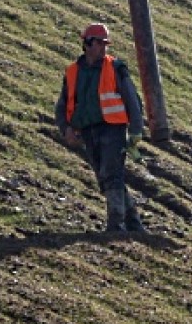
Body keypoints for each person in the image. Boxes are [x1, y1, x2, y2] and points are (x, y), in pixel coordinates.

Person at [55, 23, 146, 232]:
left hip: (113, 129)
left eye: (105, 44)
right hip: (88, 131)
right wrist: (66, 129)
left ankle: (116, 224)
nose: (104, 48)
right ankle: (133, 222)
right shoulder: (72, 72)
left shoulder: (115, 68)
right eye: (99, 43)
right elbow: (62, 105)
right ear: (86, 44)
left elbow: (132, 100)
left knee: (111, 173)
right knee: (105, 177)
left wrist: (136, 129)